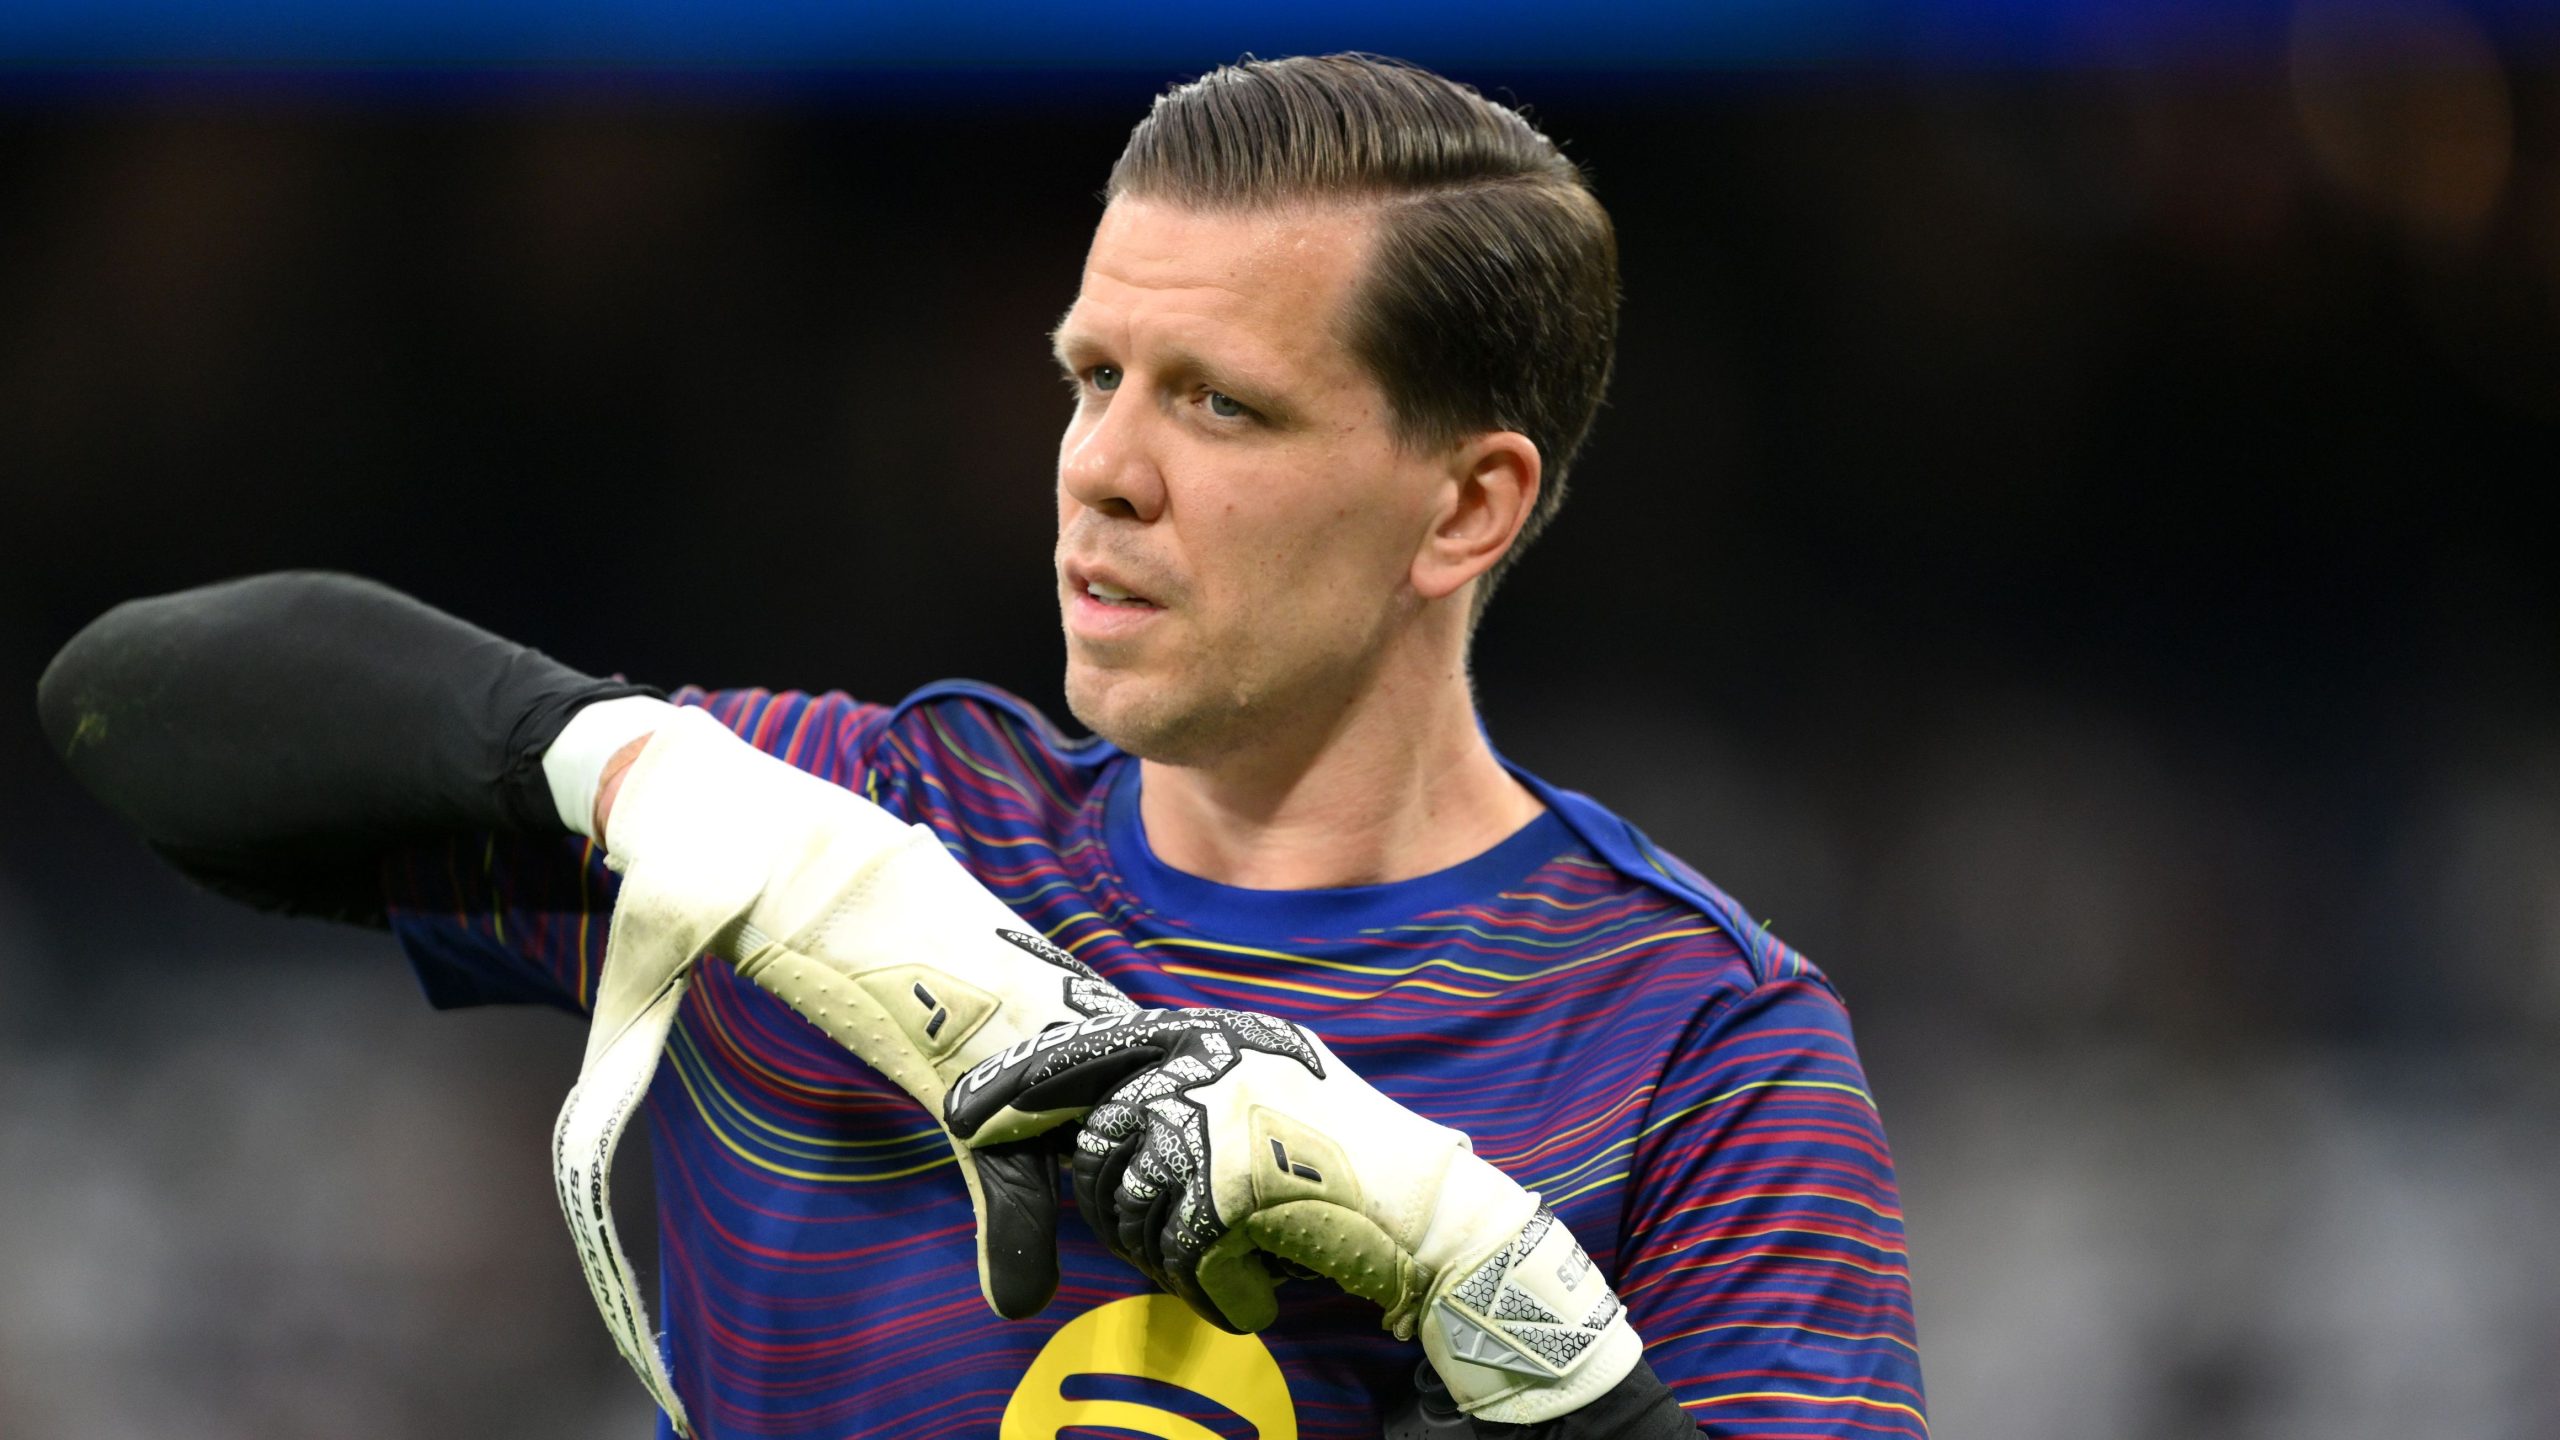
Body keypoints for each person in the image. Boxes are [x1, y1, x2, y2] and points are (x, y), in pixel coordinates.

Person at [39, 54, 1924, 1440]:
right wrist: (684, 802)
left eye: (1220, 404)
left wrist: (1482, 1290)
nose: (1102, 467)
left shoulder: (1697, 1052)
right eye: (1093, 375)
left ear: (1465, 506)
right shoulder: (850, 831)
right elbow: (139, 702)